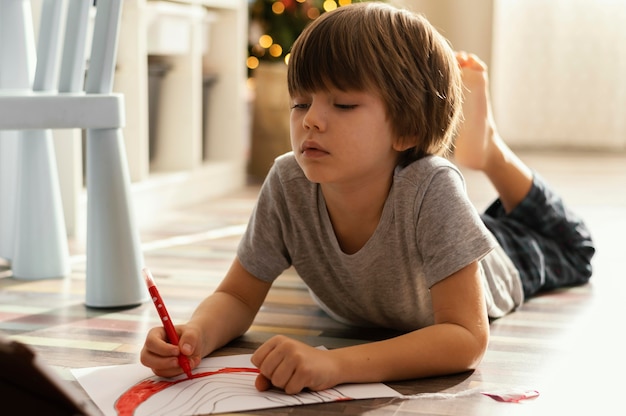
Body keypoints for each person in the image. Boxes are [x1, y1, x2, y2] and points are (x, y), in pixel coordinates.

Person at [140, 2, 595, 395]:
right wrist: (195, 333)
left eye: (342, 105)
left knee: (575, 247)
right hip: (420, 253)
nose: (312, 120)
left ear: (407, 130)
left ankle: (490, 150)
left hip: (501, 257)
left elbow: (465, 338)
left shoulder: (433, 187)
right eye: (301, 102)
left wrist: (336, 365)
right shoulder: (287, 181)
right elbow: (238, 296)